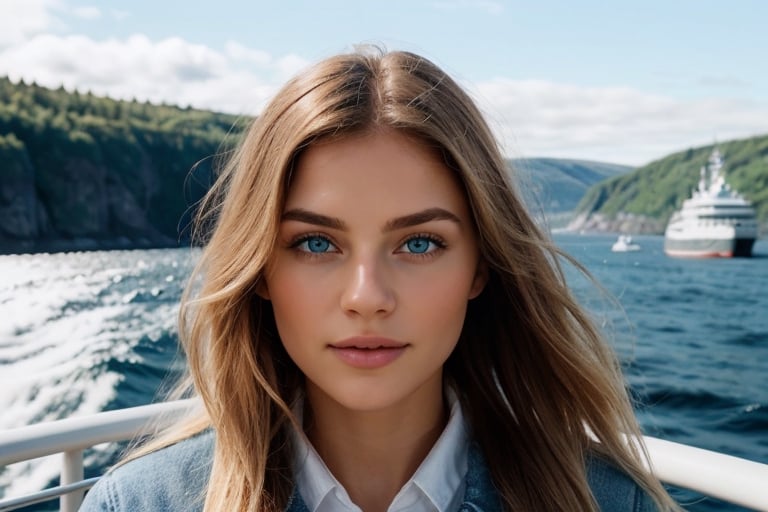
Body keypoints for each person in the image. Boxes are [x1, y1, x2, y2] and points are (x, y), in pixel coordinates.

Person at [80, 47, 680, 511]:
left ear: (481, 266)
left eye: (420, 243)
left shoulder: (605, 499)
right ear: (260, 267)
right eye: (316, 243)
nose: (367, 296)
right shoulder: (141, 502)